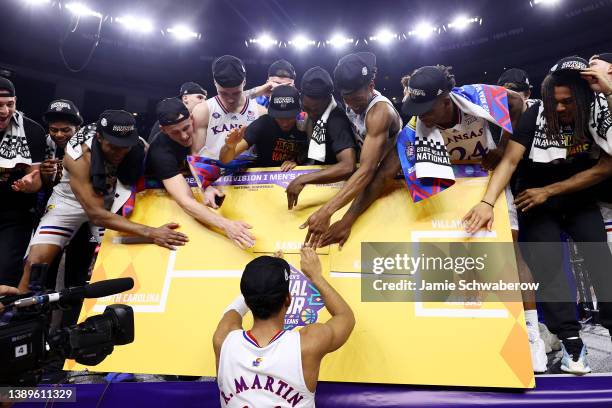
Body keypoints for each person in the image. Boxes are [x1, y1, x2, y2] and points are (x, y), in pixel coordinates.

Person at [463, 57, 612, 375]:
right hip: (534, 200)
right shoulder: (536, 113)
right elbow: (509, 161)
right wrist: (487, 203)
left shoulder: (600, 110)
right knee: (546, 265)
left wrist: (552, 190)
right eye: (553, 101)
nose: (558, 109)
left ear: (585, 97)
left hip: (576, 198)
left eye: (567, 102)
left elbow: (606, 166)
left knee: (601, 263)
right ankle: (572, 342)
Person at [19, 110, 188, 292]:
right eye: (114, 146)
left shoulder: (138, 145)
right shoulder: (79, 154)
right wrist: (152, 232)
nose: (120, 152)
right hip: (70, 202)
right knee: (36, 264)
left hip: (109, 201)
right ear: (99, 138)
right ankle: (17, 314)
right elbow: (97, 215)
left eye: (125, 146)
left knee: (111, 259)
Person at [213, 247, 355, 407]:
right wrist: (316, 276)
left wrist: (261, 281)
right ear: (288, 299)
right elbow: (345, 317)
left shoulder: (223, 339)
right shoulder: (308, 344)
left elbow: (234, 309)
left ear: (248, 301)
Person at [300, 52, 402, 246]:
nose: (352, 104)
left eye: (357, 99)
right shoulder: (350, 99)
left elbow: (368, 171)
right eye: (346, 98)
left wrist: (330, 212)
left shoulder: (379, 113)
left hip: (394, 178)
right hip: (370, 175)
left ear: (371, 87)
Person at [146, 98, 256, 249]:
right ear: (163, 130)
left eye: (186, 128)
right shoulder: (160, 152)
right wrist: (227, 226)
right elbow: (186, 201)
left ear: (192, 119)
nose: (184, 136)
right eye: (175, 133)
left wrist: (206, 185)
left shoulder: (203, 125)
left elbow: (197, 158)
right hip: (154, 200)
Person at [285, 66, 357, 210]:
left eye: (316, 110)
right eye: (306, 108)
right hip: (318, 175)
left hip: (335, 188)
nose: (310, 113)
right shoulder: (311, 111)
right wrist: (297, 160)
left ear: (328, 99)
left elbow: (348, 166)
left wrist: (303, 179)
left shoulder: (336, 120)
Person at [0, 77, 46, 287]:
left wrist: (30, 184)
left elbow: (35, 179)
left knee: (5, 276)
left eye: (10, 104)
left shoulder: (33, 131)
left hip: (14, 214)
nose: (4, 111)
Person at [192, 55, 266, 160]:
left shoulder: (261, 112)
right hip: (212, 174)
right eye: (223, 93)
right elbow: (196, 155)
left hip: (248, 174)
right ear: (215, 83)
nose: (230, 99)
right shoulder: (203, 110)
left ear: (244, 82)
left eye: (236, 93)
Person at [219, 85, 307, 170]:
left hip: (294, 172)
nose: (285, 124)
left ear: (299, 112)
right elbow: (225, 160)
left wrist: (297, 161)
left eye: (289, 117)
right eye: (279, 117)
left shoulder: (307, 123)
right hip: (263, 175)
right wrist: (229, 147)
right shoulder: (262, 124)